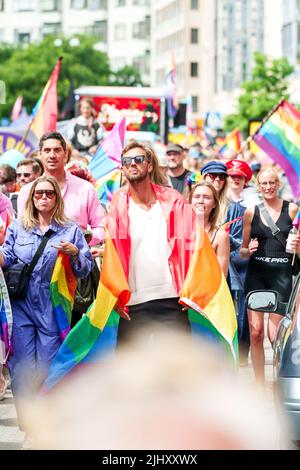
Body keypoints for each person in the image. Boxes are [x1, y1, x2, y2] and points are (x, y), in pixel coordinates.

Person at [0, 176, 93, 440]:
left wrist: (75, 251)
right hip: (21, 306)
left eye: (49, 193)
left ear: (56, 198)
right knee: (22, 366)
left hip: (54, 309)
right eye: (39, 193)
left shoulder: (70, 229)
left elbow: (85, 270)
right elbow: (6, 257)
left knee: (49, 364)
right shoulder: (19, 227)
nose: (43, 197)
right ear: (31, 198)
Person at [241, 167, 300, 384]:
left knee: (274, 336)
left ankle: (277, 381)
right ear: (258, 186)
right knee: (255, 333)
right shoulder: (251, 212)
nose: (268, 187)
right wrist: (250, 249)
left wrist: (296, 247)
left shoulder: (292, 209)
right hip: (257, 274)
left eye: (271, 183)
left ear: (278, 184)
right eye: (263, 183)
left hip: (282, 276)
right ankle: (259, 385)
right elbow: (243, 250)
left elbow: (298, 247)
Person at [17, 132, 105, 246]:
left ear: (65, 154)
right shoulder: (26, 192)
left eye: (57, 150)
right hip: (37, 260)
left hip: (75, 259)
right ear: (40, 154)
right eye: (47, 150)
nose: (52, 155)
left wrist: (82, 243)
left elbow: (100, 226)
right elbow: (21, 231)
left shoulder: (86, 189)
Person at [190, 181, 229, 276]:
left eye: (206, 197)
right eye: (196, 196)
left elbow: (221, 276)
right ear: (190, 201)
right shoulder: (179, 231)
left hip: (208, 289)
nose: (200, 201)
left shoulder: (221, 236)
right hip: (182, 289)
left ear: (214, 204)